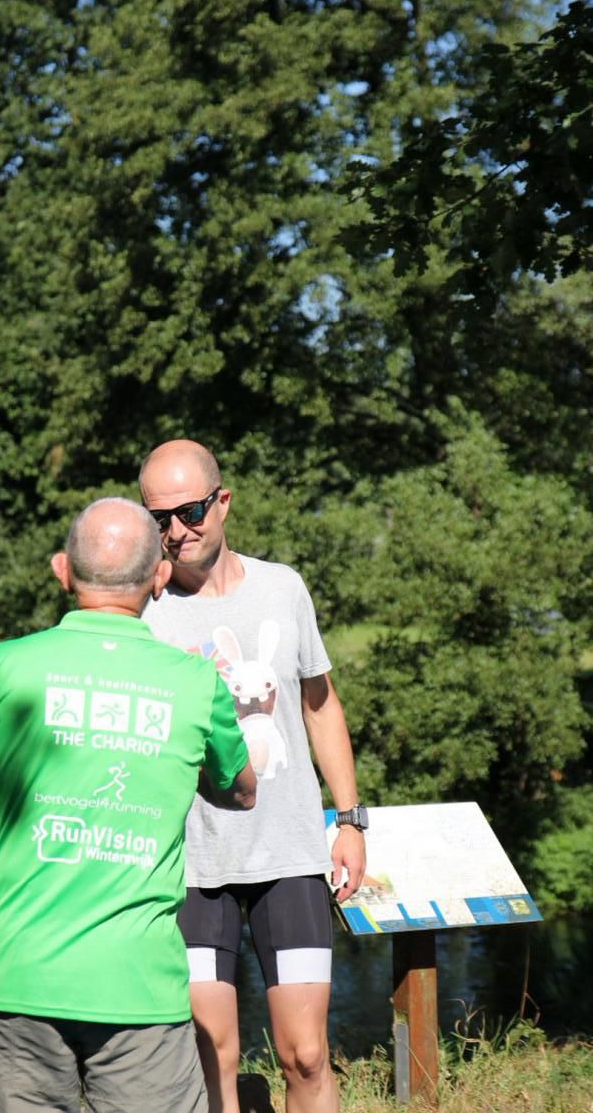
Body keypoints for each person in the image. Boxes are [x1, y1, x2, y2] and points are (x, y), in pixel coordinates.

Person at [0, 497, 256, 1113]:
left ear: (62, 571)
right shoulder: (194, 682)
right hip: (139, 990)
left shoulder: (1, 668)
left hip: (20, 978)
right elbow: (241, 788)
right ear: (159, 578)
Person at [139, 441, 366, 1113]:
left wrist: (349, 821)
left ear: (223, 501)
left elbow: (320, 707)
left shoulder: (282, 588)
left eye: (190, 510)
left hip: (288, 857)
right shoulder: (141, 611)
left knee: (306, 1054)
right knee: (212, 1061)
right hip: (188, 867)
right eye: (160, 518)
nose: (177, 530)